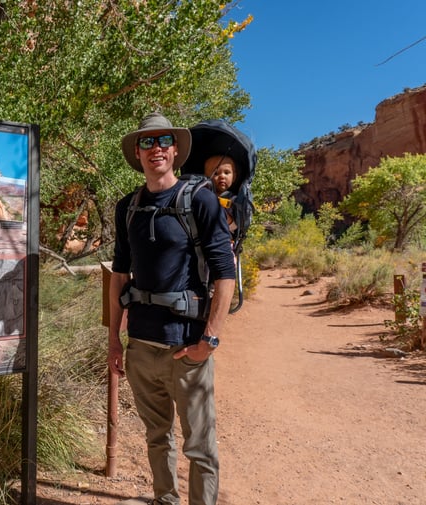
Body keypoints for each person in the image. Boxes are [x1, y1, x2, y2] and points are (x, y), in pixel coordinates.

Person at [109, 112, 236, 505]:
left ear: (176, 150)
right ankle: (165, 500)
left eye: (164, 140)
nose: (156, 149)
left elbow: (225, 272)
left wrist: (209, 340)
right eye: (147, 142)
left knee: (200, 447)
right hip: (141, 346)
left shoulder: (200, 200)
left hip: (186, 347)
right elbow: (119, 274)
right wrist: (114, 340)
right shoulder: (127, 207)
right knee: (156, 437)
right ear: (137, 152)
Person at [204, 154, 238, 233]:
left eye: (226, 172)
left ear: (234, 177)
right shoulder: (203, 195)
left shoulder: (235, 201)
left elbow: (234, 227)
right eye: (215, 173)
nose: (222, 176)